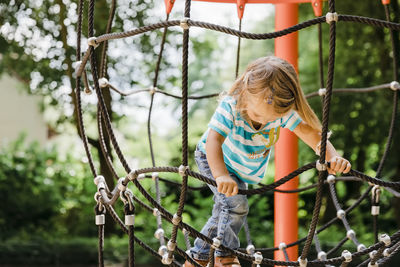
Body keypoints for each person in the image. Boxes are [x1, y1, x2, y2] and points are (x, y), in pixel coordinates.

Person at [184, 56, 351, 267]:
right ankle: (224, 256)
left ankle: (197, 257)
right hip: (213, 159)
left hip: (237, 167)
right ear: (245, 92)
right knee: (235, 205)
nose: (263, 121)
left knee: (225, 208)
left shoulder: (279, 112)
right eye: (257, 114)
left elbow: (311, 135)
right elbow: (213, 141)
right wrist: (221, 175)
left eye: (270, 119)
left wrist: (332, 157)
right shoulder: (232, 105)